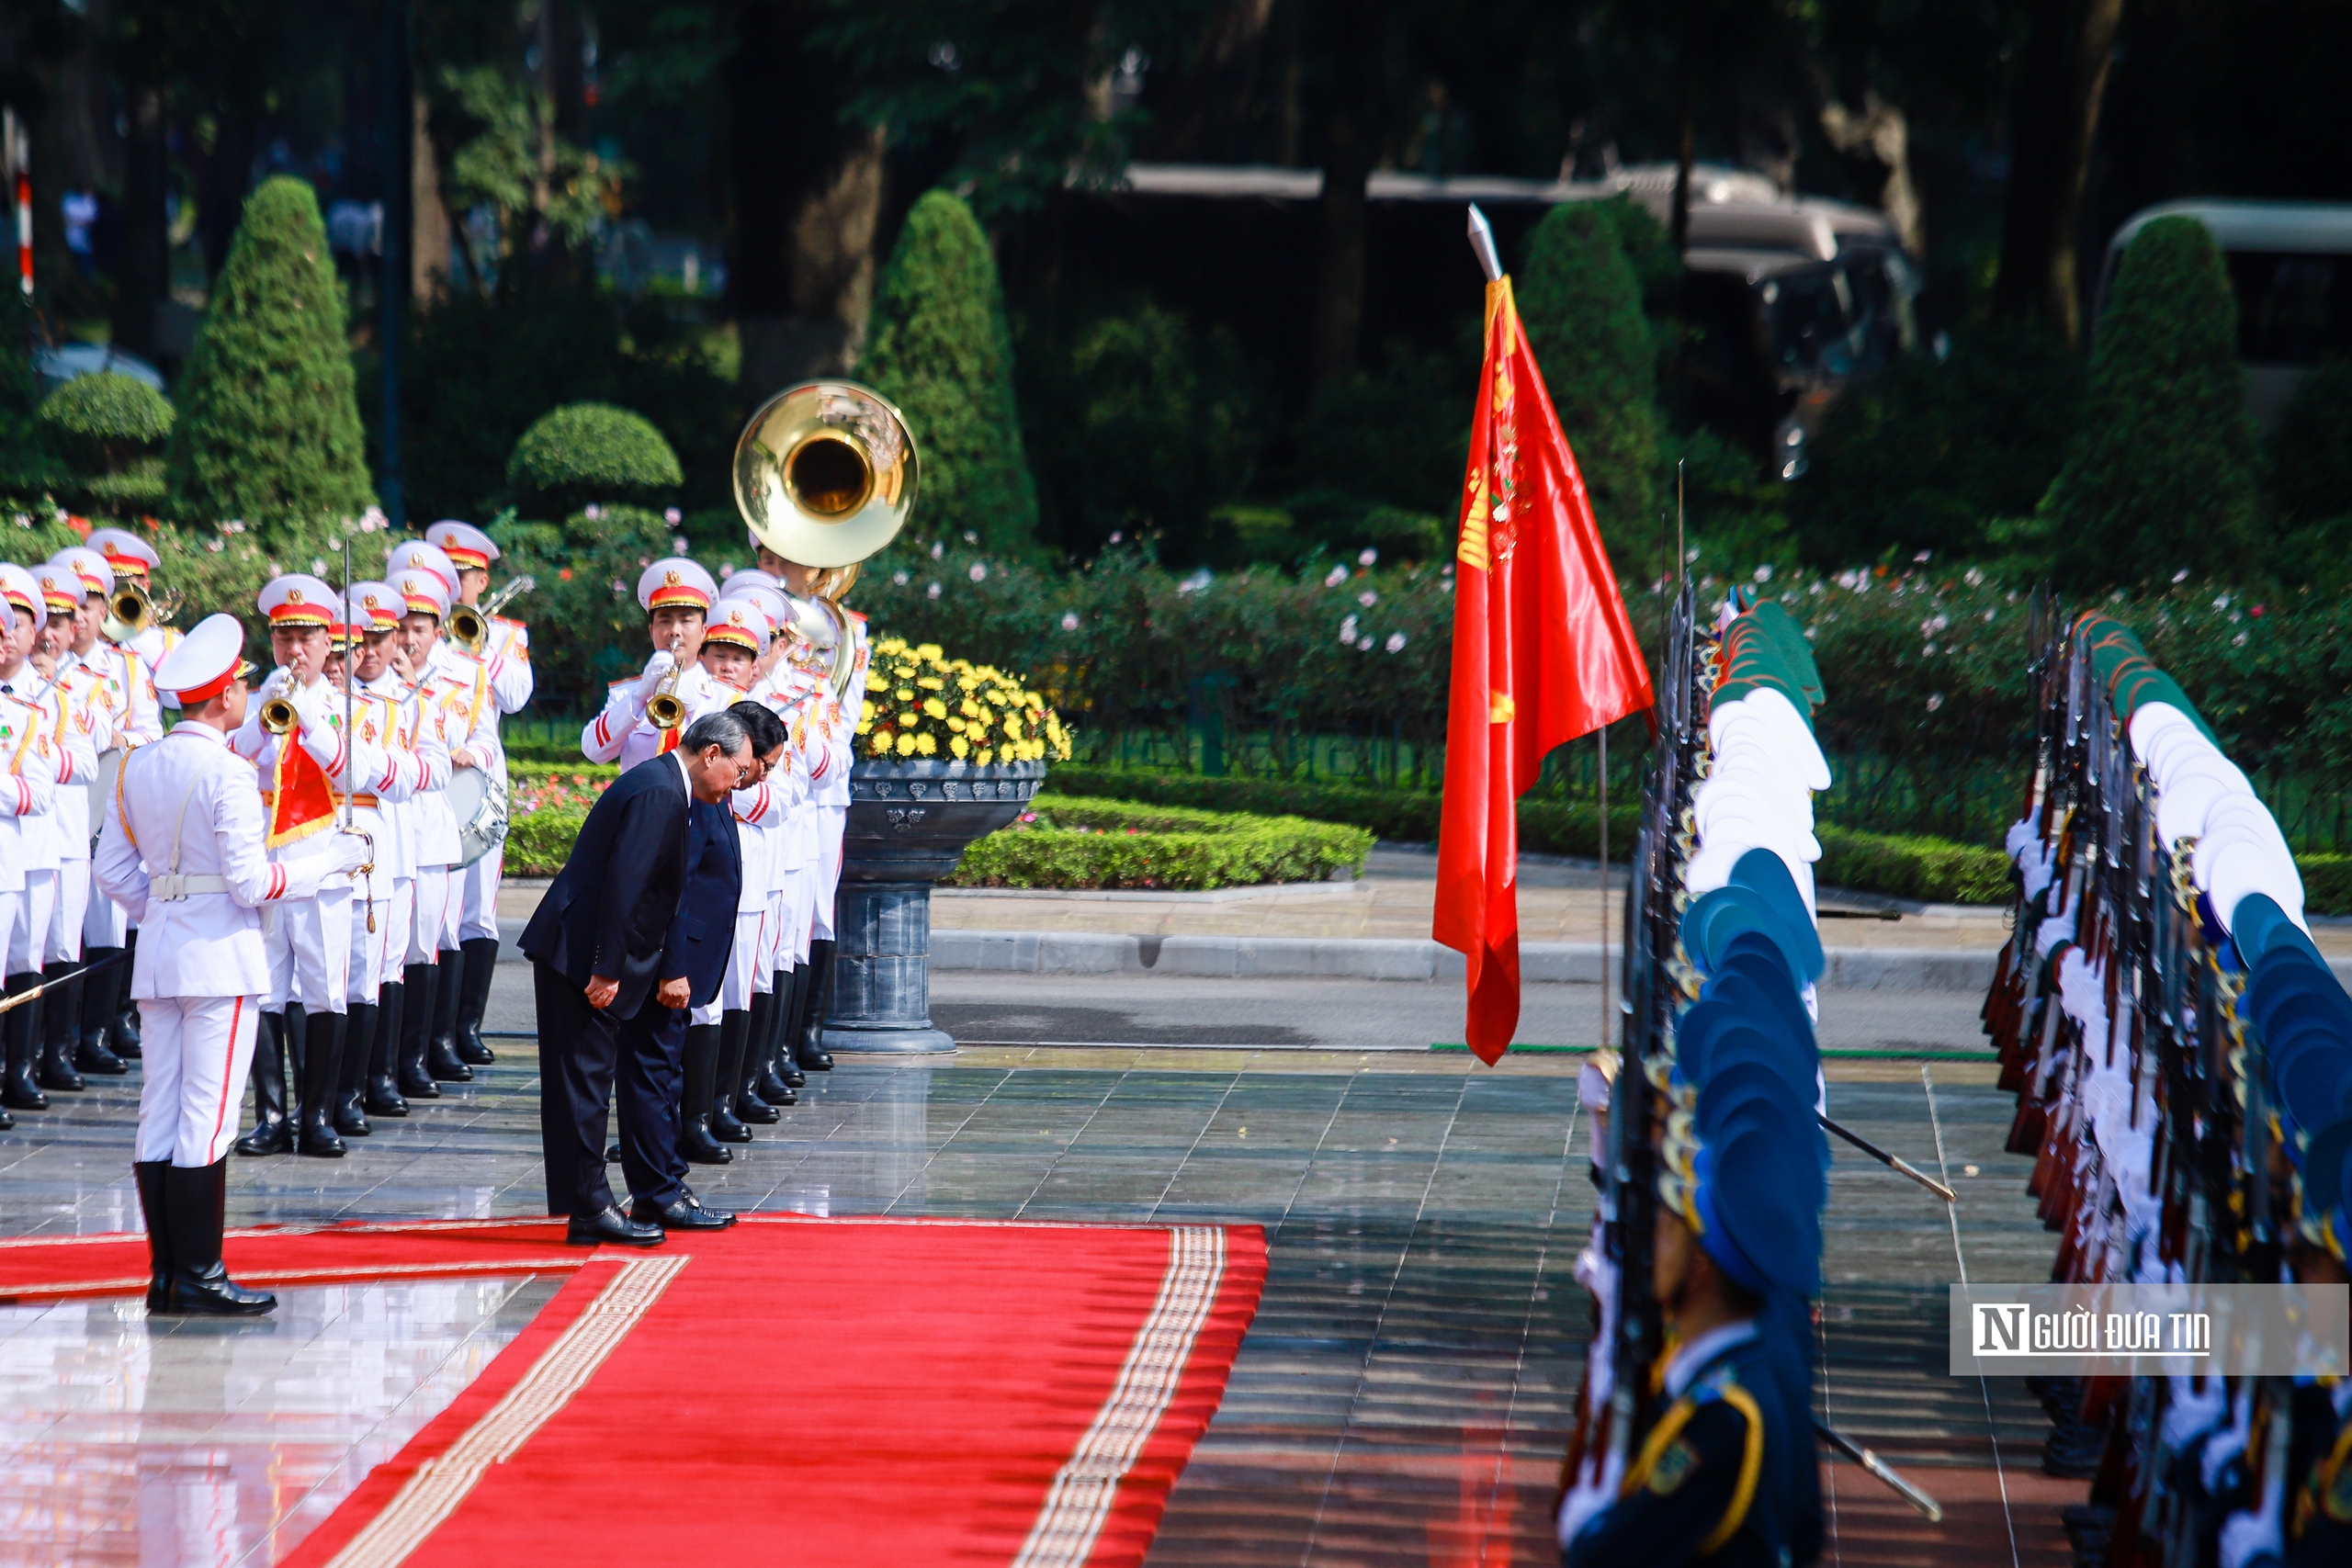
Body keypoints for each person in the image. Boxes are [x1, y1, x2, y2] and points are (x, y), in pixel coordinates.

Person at [93, 614, 369, 1314]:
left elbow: (113, 871)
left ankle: (165, 1274)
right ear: (223, 696)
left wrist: (166, 905)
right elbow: (252, 882)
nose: (247, 691)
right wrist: (324, 863)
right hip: (220, 958)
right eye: (241, 682)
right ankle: (201, 1272)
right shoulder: (227, 773)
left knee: (159, 1110)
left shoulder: (139, 764)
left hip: (160, 953)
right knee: (208, 1116)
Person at [521, 709, 752, 1245]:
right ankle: (589, 1208)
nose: (737, 784)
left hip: (597, 953)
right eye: (737, 772)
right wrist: (607, 968)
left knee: (589, 1084)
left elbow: (660, 892)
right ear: (711, 754)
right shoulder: (659, 792)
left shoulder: (670, 786)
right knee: (583, 1086)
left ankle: (599, 1202)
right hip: (579, 955)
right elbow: (625, 886)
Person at [228, 575, 389, 1159]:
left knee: (326, 993)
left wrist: (309, 720)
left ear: (330, 644)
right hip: (267, 862)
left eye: (307, 638)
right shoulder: (260, 695)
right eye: (285, 637)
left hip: (323, 861)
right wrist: (267, 714)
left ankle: (316, 1114)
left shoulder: (348, 704)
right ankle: (270, 1115)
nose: (296, 650)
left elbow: (356, 774)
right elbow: (232, 757)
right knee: (266, 992)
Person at [424, 520, 532, 1067]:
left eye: (460, 576)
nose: (449, 585)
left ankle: (467, 1025)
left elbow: (514, 697)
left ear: (482, 582)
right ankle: (433, 1032)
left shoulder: (508, 635)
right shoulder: (418, 630)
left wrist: (481, 643)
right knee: (431, 910)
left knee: (477, 909)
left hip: (479, 777)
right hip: (426, 776)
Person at [83, 526, 171, 1066]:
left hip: (129, 784)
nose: (120, 595)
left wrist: (125, 741)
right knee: (88, 915)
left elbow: (152, 725)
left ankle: (120, 1016)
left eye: (129, 585)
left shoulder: (150, 651)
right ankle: (89, 1027)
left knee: (126, 908)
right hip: (82, 788)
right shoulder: (84, 653)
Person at [0, 565, 60, 1123]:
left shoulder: (38, 701)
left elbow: (41, 789)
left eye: (15, 624)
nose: (7, 636)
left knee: (23, 960)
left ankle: (19, 1066)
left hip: (21, 850)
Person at [582, 558, 729, 769]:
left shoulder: (725, 696)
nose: (675, 631)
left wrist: (695, 712)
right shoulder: (626, 693)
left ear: (704, 631)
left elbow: (730, 768)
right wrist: (640, 697)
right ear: (652, 631)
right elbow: (593, 751)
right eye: (665, 621)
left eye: (686, 621)